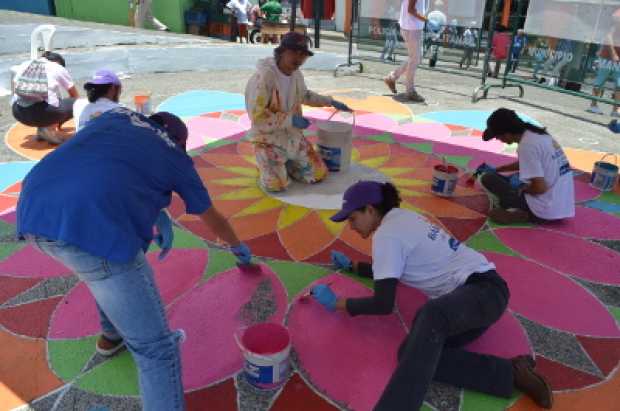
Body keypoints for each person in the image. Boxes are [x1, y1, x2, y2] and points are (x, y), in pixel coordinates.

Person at [16, 108, 253, 411]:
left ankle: (111, 335)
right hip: (86, 226)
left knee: (104, 268)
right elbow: (212, 216)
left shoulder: (117, 117)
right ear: (179, 143)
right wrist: (237, 248)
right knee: (157, 351)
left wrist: (157, 210)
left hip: (34, 210)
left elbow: (112, 166)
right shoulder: (175, 157)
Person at [311, 180, 553, 411]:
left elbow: (383, 303)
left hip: (480, 292)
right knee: (411, 355)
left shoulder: (387, 235)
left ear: (370, 210)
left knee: (431, 314)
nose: (350, 226)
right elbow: (394, 267)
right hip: (479, 304)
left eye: (353, 218)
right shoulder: (404, 218)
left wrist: (337, 304)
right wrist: (354, 266)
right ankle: (511, 374)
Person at [245, 31, 351, 192]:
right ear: (281, 52)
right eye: (294, 52)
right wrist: (290, 120)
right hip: (268, 139)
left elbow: (304, 95)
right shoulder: (264, 77)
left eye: (303, 54)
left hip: (292, 138)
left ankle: (286, 163)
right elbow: (257, 116)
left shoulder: (296, 75)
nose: (299, 58)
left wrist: (330, 101)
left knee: (318, 174)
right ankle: (266, 162)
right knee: (276, 186)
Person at [477, 108, 575, 225]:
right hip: (562, 205)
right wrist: (500, 169)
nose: (498, 140)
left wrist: (522, 189)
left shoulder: (526, 146)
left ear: (507, 134)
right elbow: (529, 163)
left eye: (498, 136)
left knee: (488, 179)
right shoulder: (537, 134)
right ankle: (520, 209)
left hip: (544, 209)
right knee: (514, 177)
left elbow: (540, 188)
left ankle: (522, 214)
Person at [11, 51, 79, 145]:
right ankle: (48, 130)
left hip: (18, 113)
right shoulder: (57, 67)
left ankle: (42, 131)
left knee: (47, 101)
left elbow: (14, 90)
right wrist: (60, 121)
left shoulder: (25, 64)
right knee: (77, 102)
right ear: (58, 62)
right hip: (44, 114)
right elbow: (75, 95)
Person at [384, 0, 433, 102]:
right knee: (415, 59)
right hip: (412, 28)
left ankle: (392, 77)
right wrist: (426, 20)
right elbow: (410, 9)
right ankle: (410, 91)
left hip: (412, 27)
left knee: (415, 58)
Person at [587, 9, 620, 116]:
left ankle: (615, 110)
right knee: (600, 81)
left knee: (619, 84)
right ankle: (593, 105)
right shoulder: (618, 14)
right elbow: (608, 36)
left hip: (615, 57)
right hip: (608, 57)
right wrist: (613, 54)